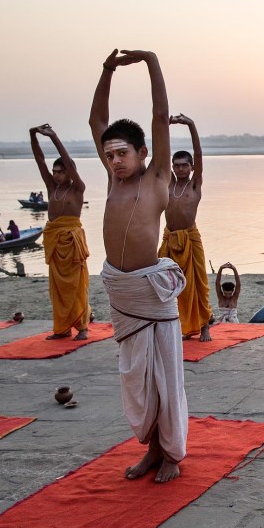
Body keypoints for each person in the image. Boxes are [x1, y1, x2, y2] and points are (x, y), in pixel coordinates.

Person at [90, 48, 187, 484]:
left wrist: (150, 62)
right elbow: (97, 121)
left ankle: (171, 453)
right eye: (109, 155)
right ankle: (150, 449)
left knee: (164, 377)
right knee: (136, 377)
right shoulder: (113, 180)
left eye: (122, 153)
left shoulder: (158, 178)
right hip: (121, 291)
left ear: (143, 152)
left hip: (151, 292)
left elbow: (160, 114)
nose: (114, 161)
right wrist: (107, 70)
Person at [30, 124, 91, 340]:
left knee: (76, 286)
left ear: (69, 172)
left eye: (60, 171)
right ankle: (62, 328)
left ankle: (82, 327)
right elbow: (39, 161)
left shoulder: (77, 188)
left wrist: (55, 138)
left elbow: (70, 164)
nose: (56, 175)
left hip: (72, 242)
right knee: (57, 288)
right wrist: (33, 136)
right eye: (54, 172)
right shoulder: (51, 188)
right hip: (55, 241)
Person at [157, 114, 213, 342]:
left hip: (190, 237)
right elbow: (161, 153)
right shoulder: (168, 183)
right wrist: (165, 128)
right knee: (170, 282)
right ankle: (178, 324)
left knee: (198, 283)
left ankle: (204, 325)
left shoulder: (195, 184)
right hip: (170, 238)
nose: (180, 169)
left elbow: (199, 154)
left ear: (190, 167)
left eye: (184, 166)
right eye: (176, 166)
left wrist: (191, 124)